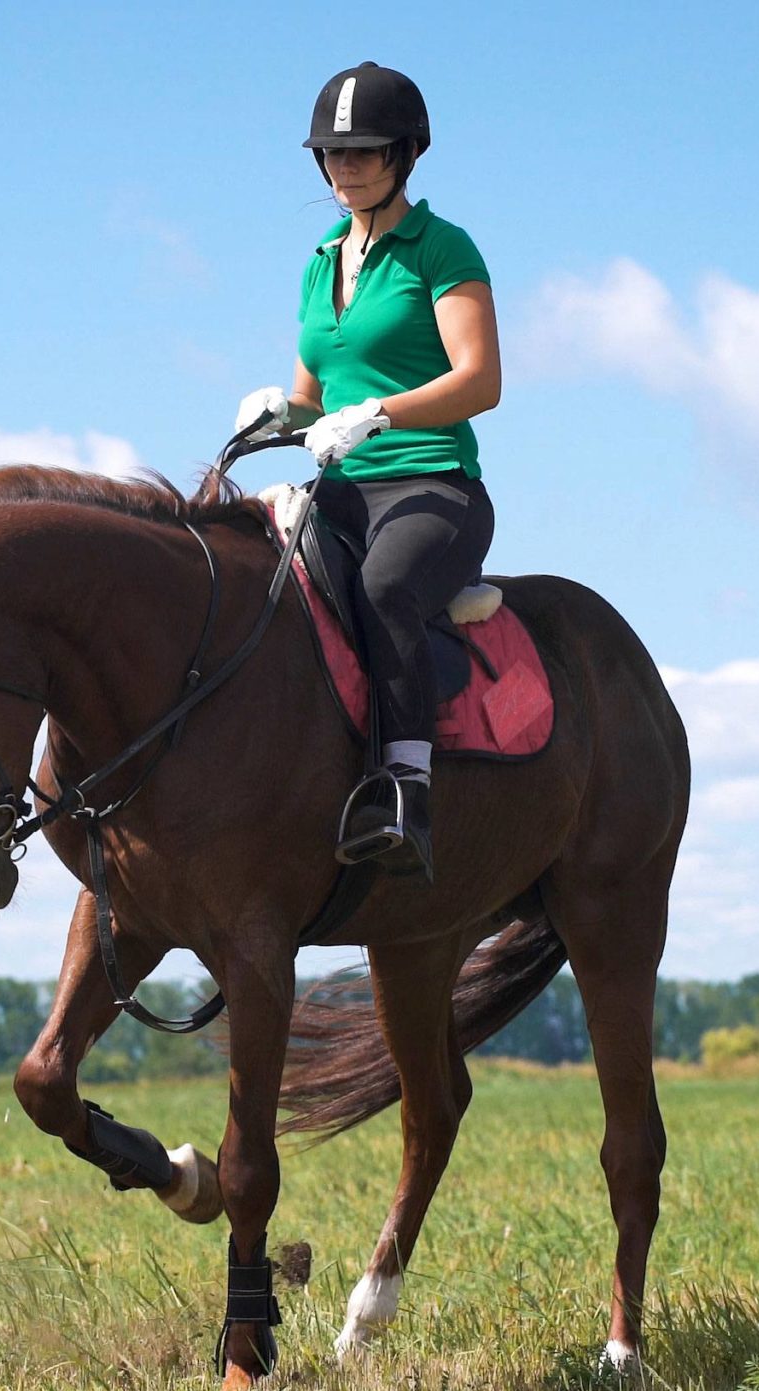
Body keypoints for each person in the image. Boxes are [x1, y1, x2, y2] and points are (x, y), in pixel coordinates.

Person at [235, 61, 502, 880]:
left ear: (406, 155)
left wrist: (382, 412)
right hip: (343, 488)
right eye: (333, 155)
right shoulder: (319, 264)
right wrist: (282, 416)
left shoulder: (442, 247)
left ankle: (405, 788)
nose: (345, 169)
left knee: (385, 587)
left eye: (365, 152)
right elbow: (317, 401)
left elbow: (480, 381)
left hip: (432, 485)